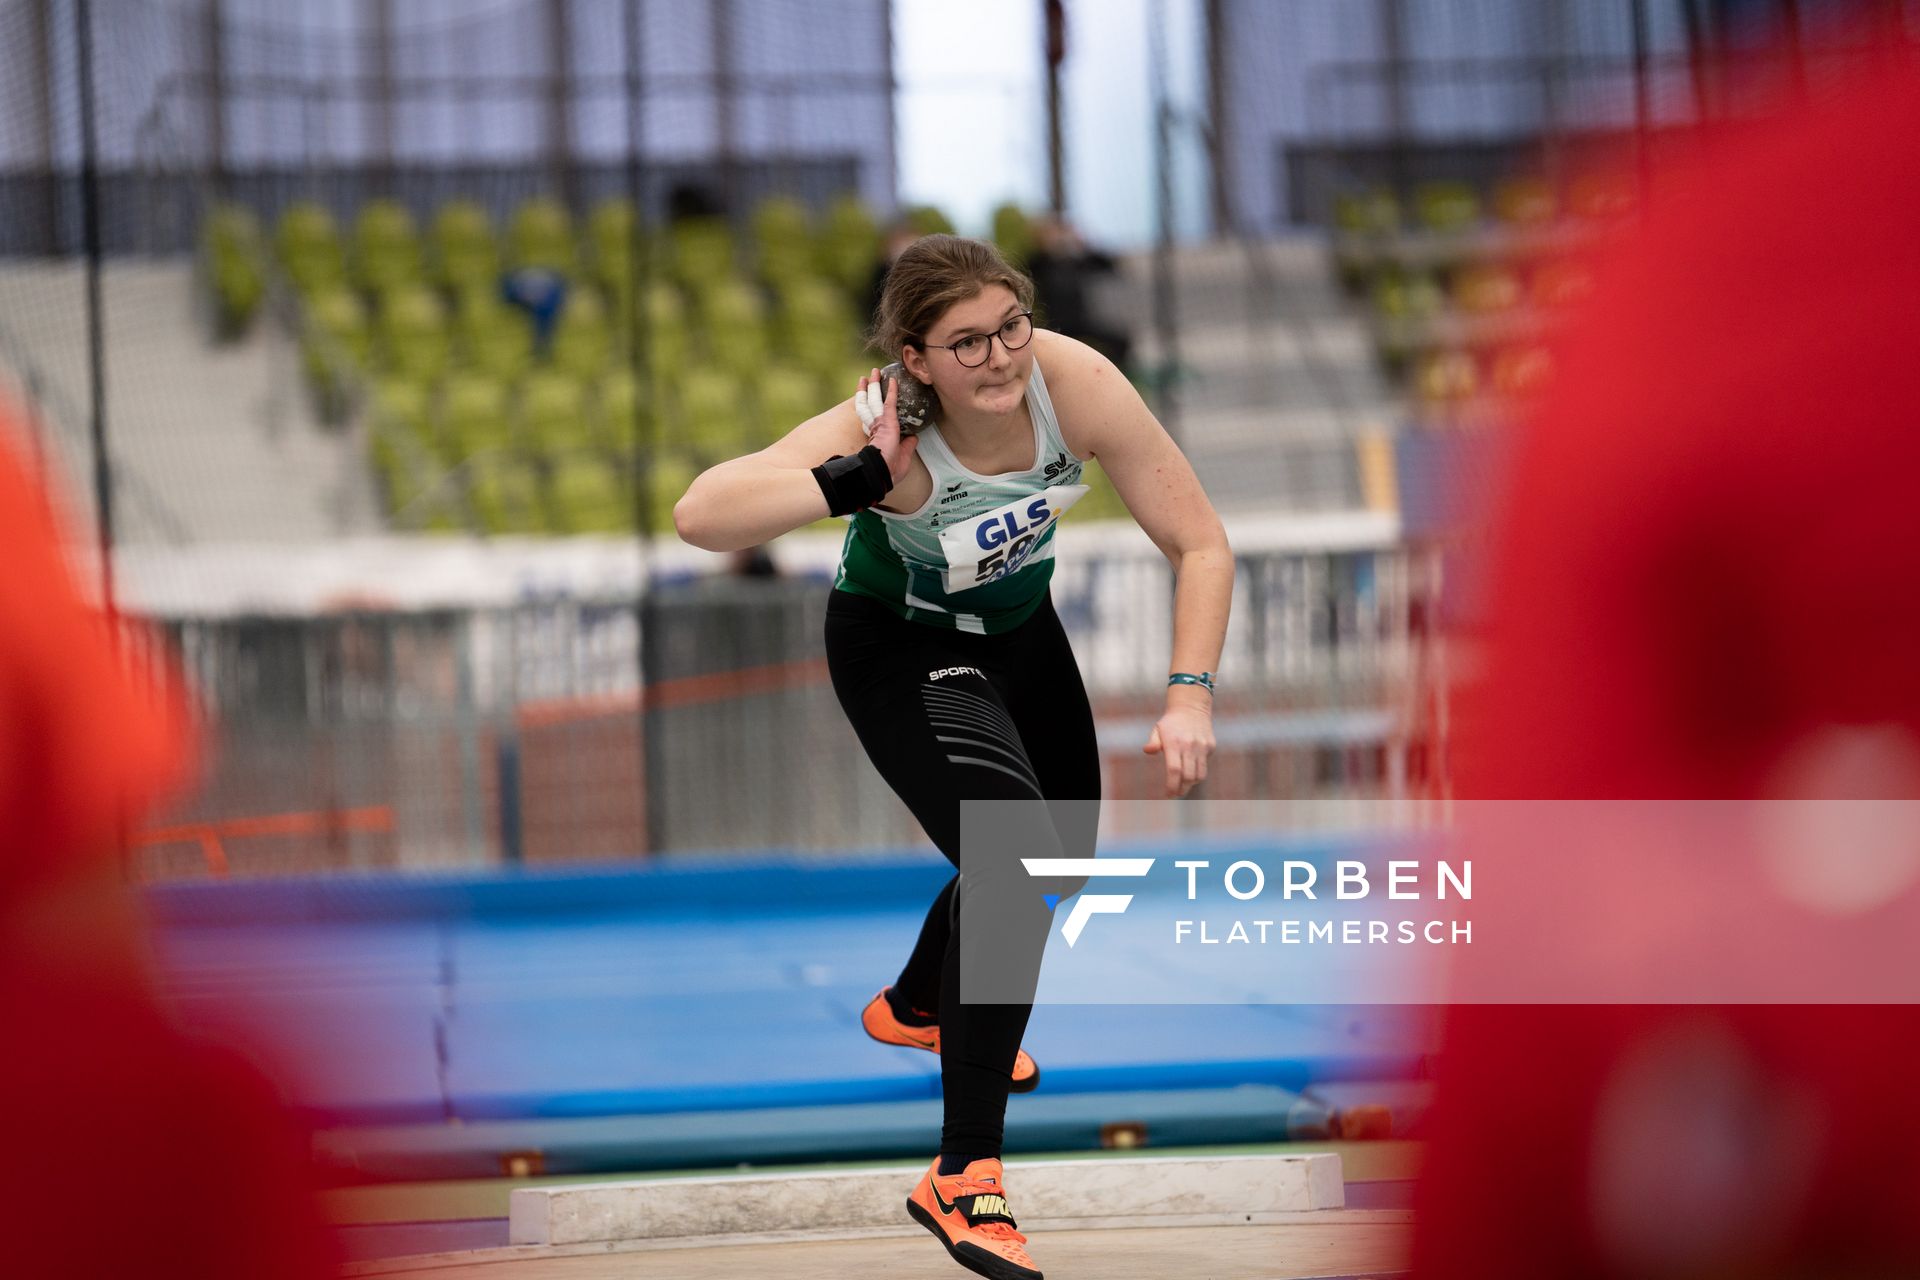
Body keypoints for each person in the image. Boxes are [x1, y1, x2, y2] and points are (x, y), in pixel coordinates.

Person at [675, 233, 1232, 1280]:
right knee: (1015, 860)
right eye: (964, 342)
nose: (998, 357)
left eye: (1010, 325)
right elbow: (700, 513)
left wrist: (1188, 691)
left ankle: (921, 1004)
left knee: (1051, 870)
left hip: (1021, 637)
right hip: (903, 646)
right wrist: (850, 479)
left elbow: (1201, 543)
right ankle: (965, 1173)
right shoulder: (885, 421)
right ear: (916, 358)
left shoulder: (1079, 385)